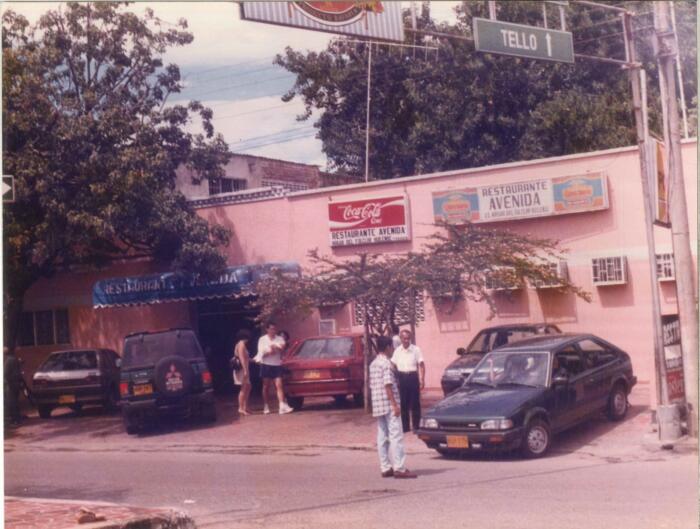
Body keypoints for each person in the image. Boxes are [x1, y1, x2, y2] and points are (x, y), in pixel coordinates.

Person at [370, 336, 417, 479]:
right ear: (388, 347)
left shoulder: (373, 364)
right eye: (391, 346)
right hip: (389, 404)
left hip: (378, 404)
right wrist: (394, 404)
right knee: (396, 435)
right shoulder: (387, 364)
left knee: (382, 436)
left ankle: (385, 467)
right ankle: (399, 468)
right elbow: (388, 384)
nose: (393, 349)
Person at [391, 329, 425, 432]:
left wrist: (422, 379)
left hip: (413, 377)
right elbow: (392, 364)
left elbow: (421, 365)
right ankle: (405, 427)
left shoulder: (416, 349)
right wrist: (395, 376)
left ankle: (416, 426)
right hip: (402, 377)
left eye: (408, 338)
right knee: (403, 403)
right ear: (400, 339)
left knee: (415, 403)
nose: (406, 340)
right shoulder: (397, 351)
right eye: (404, 338)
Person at [257, 322, 293, 415]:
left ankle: (281, 406)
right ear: (267, 329)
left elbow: (282, 348)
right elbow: (261, 353)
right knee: (266, 386)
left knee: (279, 385)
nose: (273, 331)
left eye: (274, 329)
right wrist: (271, 351)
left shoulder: (279, 338)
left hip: (277, 365)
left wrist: (275, 349)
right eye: (271, 329)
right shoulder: (262, 339)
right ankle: (266, 405)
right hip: (266, 365)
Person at [232, 329, 252, 416]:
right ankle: (241, 407)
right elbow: (241, 358)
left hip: (244, 368)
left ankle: (245, 406)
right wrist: (245, 370)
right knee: (244, 388)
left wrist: (253, 360)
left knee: (248, 387)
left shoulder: (240, 344)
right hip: (242, 369)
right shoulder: (241, 344)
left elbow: (245, 358)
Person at [4, 347, 23, 426]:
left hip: (11, 384)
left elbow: (5, 373)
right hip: (16, 383)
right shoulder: (14, 359)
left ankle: (15, 420)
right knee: (15, 401)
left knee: (11, 402)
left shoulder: (8, 361)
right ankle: (17, 419)